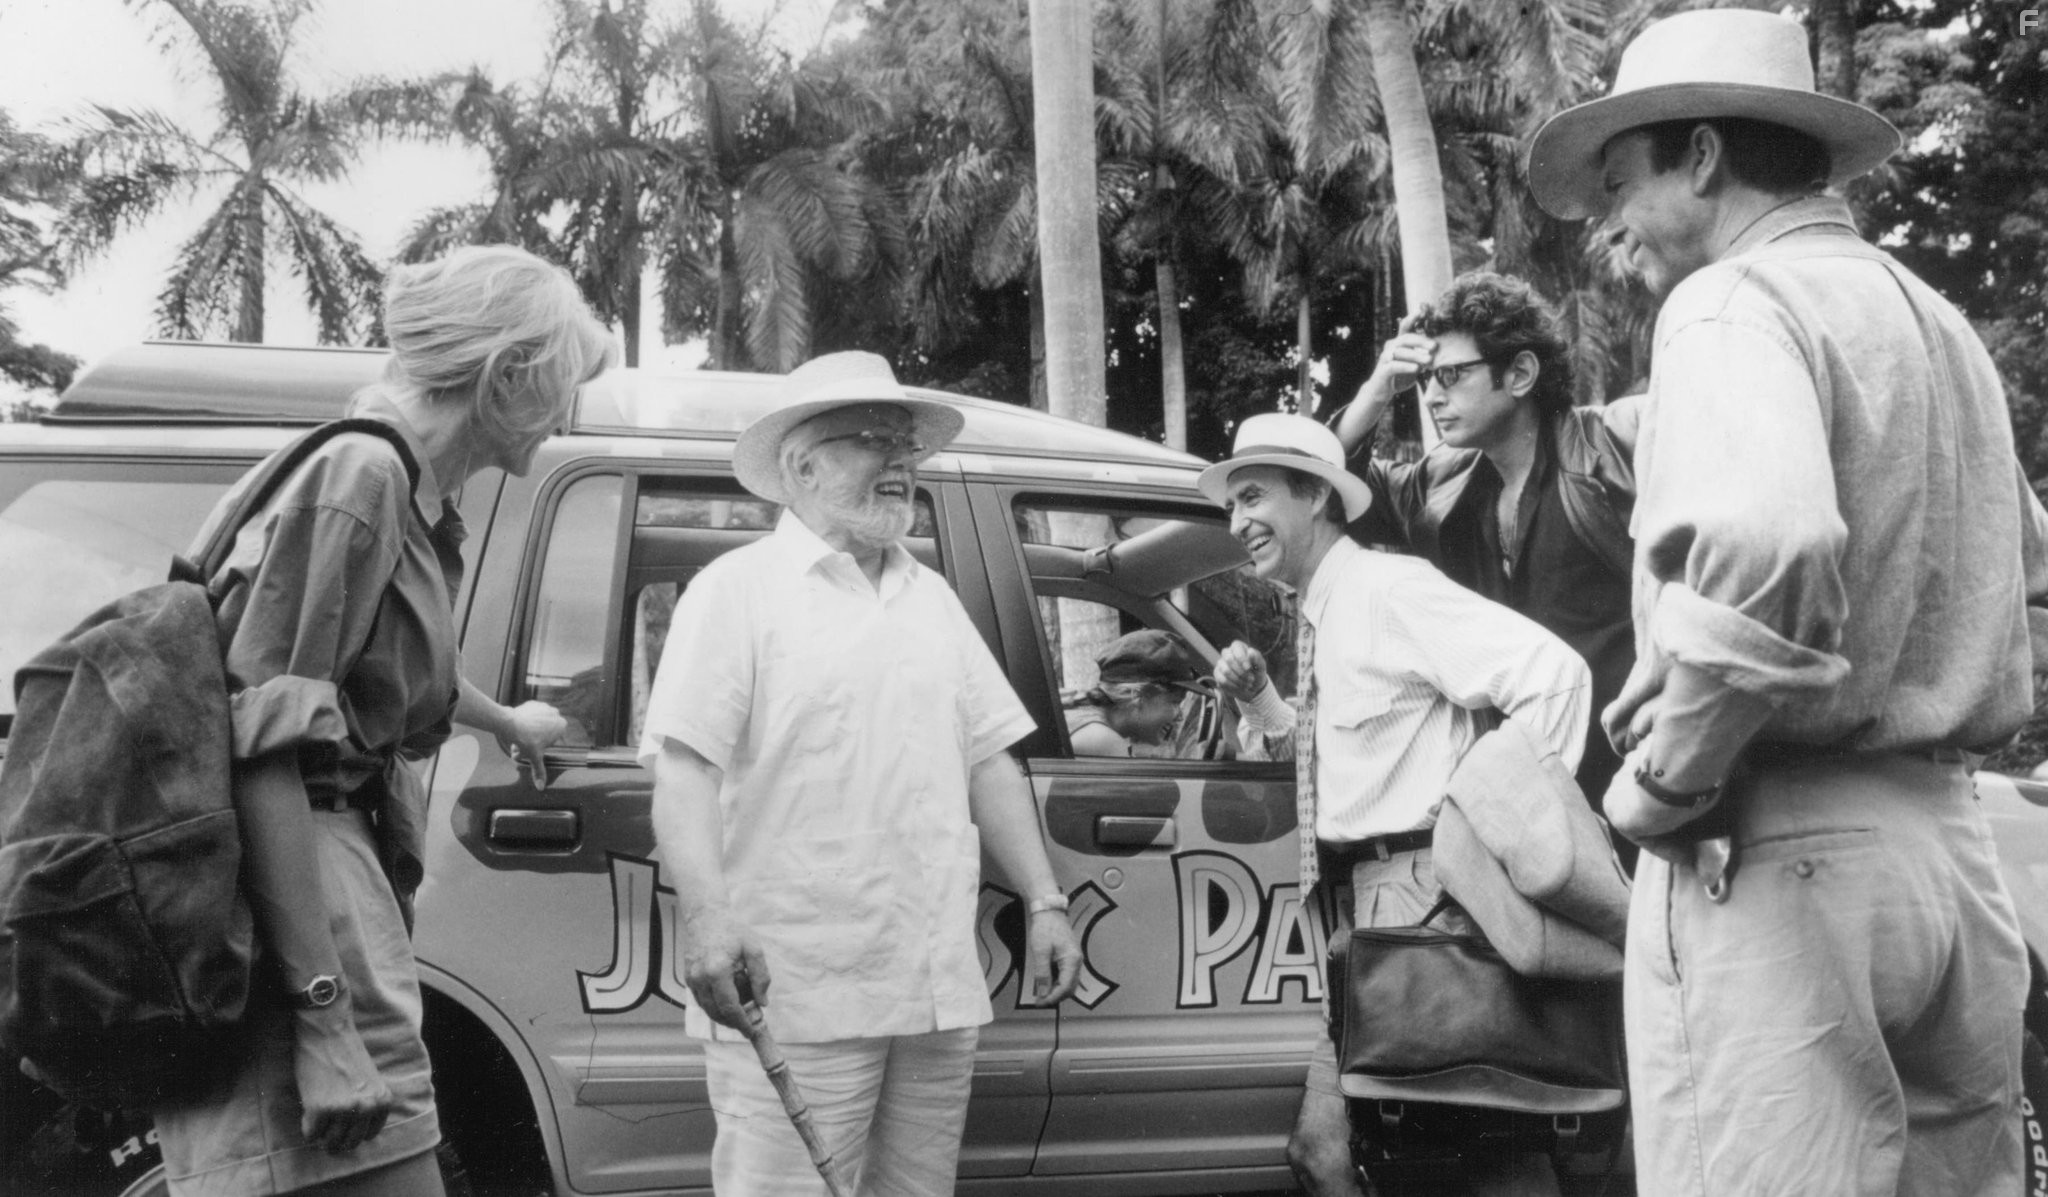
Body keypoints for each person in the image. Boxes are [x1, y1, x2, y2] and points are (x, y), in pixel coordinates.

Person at [1526, 8, 2048, 1194]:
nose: (1607, 222)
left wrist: (1666, 778)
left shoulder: (1726, 304)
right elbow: (2029, 579)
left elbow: (1767, 541)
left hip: (1774, 847)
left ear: (1700, 157)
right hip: (1948, 859)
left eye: (1619, 180)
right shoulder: (1940, 324)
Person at [151, 245, 616, 1197]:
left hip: (320, 890)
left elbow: (367, 673)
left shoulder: (386, 479)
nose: (568, 412)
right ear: (506, 376)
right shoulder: (359, 482)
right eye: (562, 382)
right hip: (301, 897)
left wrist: (502, 720)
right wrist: (324, 1020)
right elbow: (263, 745)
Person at [639, 350, 1082, 1196]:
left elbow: (990, 760)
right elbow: (685, 770)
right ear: (801, 466)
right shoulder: (735, 592)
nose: (899, 461)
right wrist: (706, 918)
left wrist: (1045, 899)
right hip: (799, 989)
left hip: (933, 985)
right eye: (871, 439)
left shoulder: (933, 599)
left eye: (904, 444)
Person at [1201, 413, 1591, 1197]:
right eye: (1231, 505)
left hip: (1426, 895)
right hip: (1371, 908)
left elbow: (1555, 674)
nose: (1238, 521)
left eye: (1252, 497)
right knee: (1333, 1152)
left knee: (1476, 1153)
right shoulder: (1326, 613)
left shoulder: (1388, 589)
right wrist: (1265, 707)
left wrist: (1492, 841)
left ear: (1314, 495)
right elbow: (1348, 770)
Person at [1330, 272, 1638, 858]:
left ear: (1519, 374)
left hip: (1642, 784)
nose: (1431, 396)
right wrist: (1375, 389)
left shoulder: (1615, 447)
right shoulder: (1440, 485)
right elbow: (1333, 493)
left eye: (1450, 375)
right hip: (1529, 808)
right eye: (1424, 379)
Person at [1066, 629, 1214, 757]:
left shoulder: (1084, 714)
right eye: (1175, 702)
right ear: (1142, 695)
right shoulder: (1104, 742)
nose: (1179, 716)